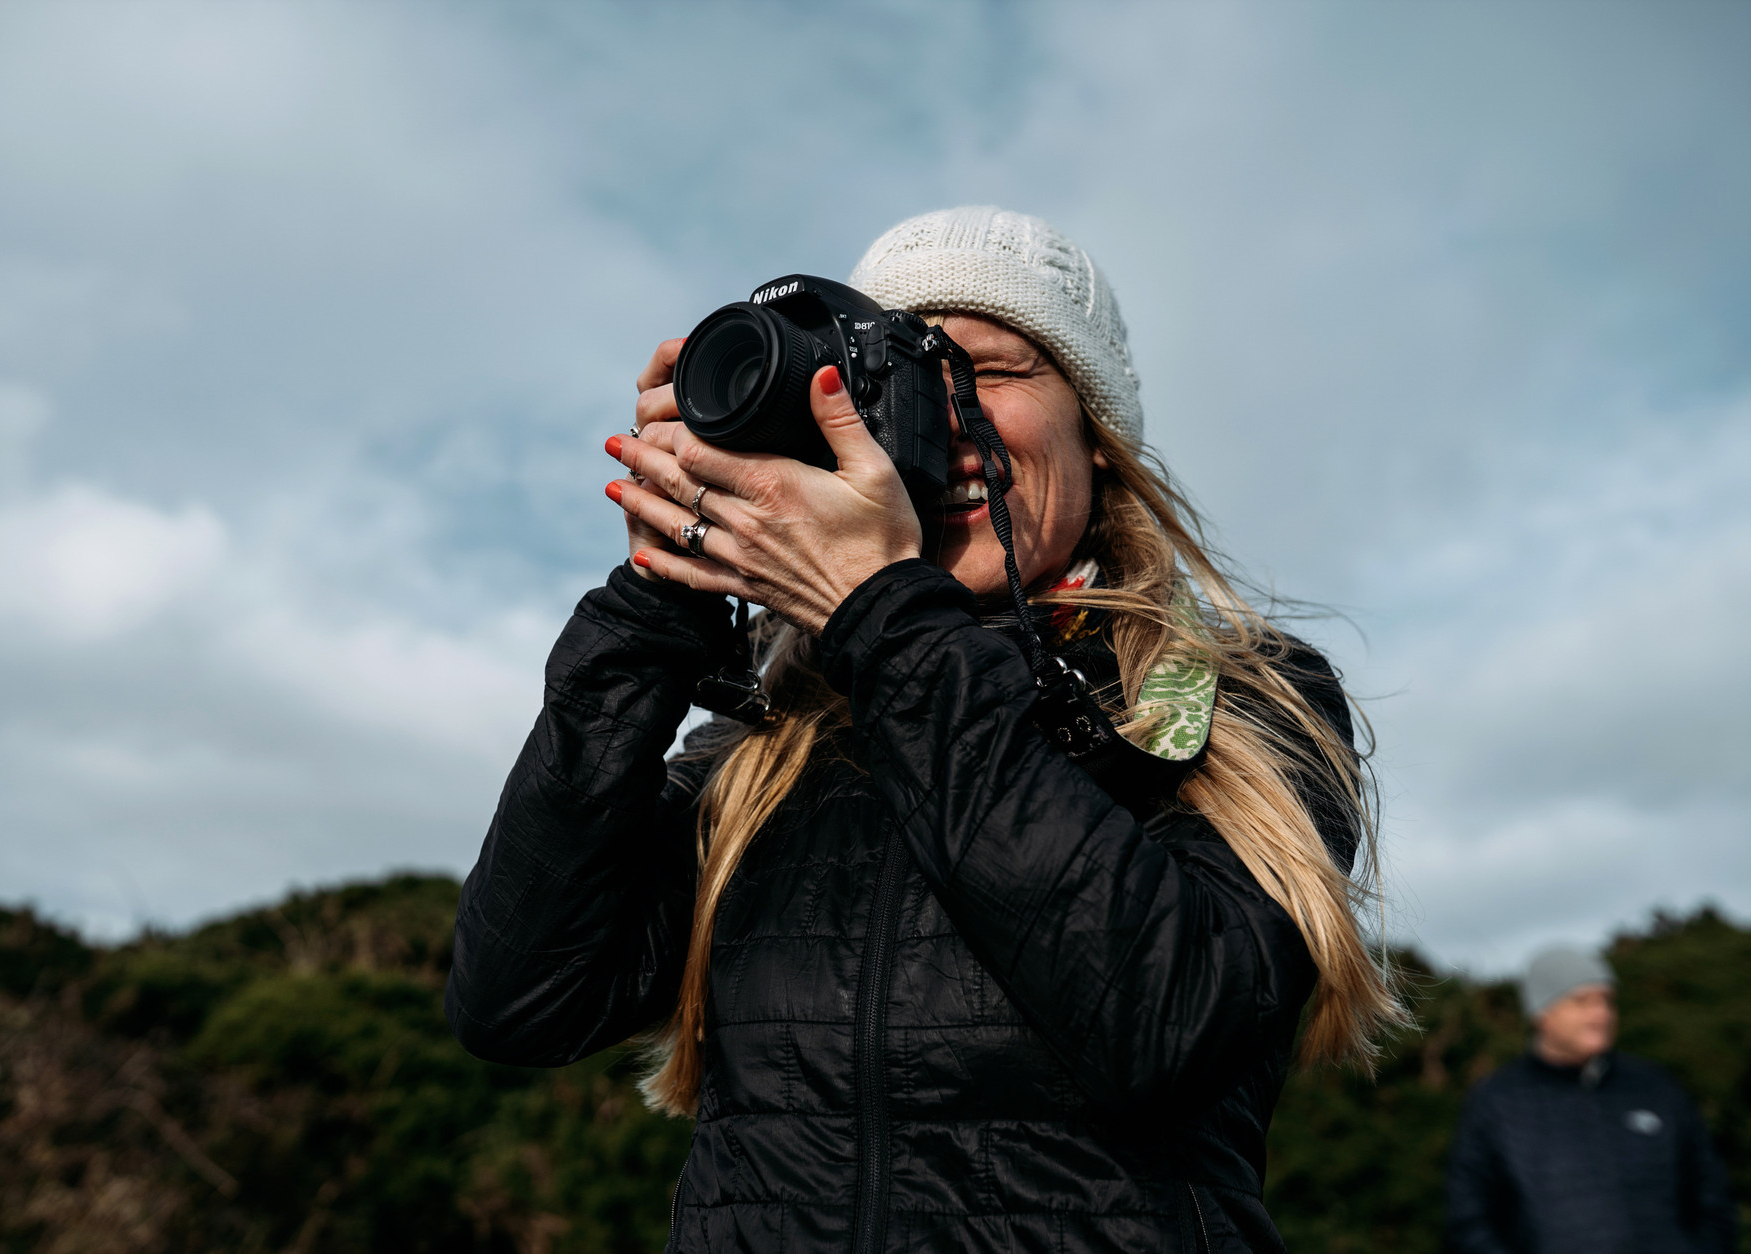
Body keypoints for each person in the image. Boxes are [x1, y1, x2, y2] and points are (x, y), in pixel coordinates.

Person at [447, 206, 1406, 1252]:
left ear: (1095, 428)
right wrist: (662, 599)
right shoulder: (778, 734)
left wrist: (885, 619)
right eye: (898, 375)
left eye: (989, 370)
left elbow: (1162, 1025)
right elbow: (522, 1003)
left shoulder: (1235, 694)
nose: (945, 416)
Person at [1446, 946, 1736, 1254]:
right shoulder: (1497, 1101)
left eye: (1606, 1000)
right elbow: (1468, 1219)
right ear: (1543, 1013)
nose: (1601, 1014)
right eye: (1582, 1001)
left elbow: (1711, 1197)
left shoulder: (1655, 1087)